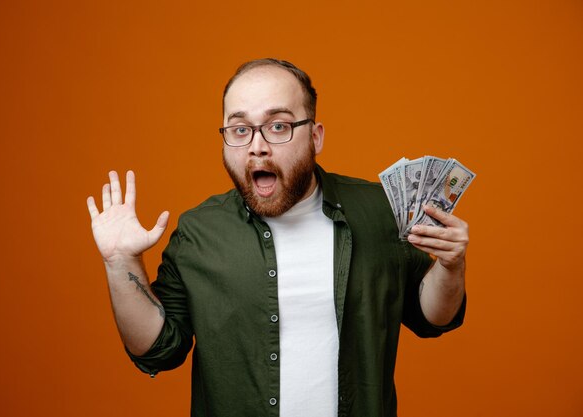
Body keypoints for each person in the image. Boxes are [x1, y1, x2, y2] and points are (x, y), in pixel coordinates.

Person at [86, 58, 469, 417]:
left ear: (315, 137)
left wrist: (450, 266)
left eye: (278, 126)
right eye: (239, 129)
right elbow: (156, 350)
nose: (257, 145)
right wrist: (120, 263)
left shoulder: (378, 212)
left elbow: (431, 317)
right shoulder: (199, 233)